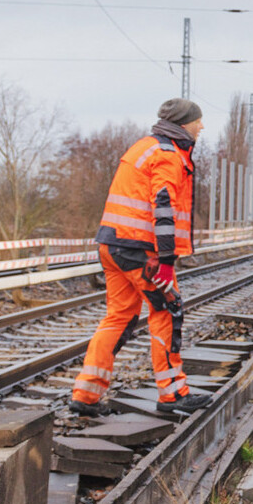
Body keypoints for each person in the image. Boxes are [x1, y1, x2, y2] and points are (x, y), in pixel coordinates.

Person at [70, 98, 209, 418]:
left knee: (118, 317)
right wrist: (166, 257)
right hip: (141, 251)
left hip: (111, 244)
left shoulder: (144, 146)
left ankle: (86, 394)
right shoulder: (168, 155)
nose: (202, 127)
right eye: (199, 121)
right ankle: (173, 393)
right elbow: (162, 207)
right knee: (168, 308)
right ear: (185, 124)